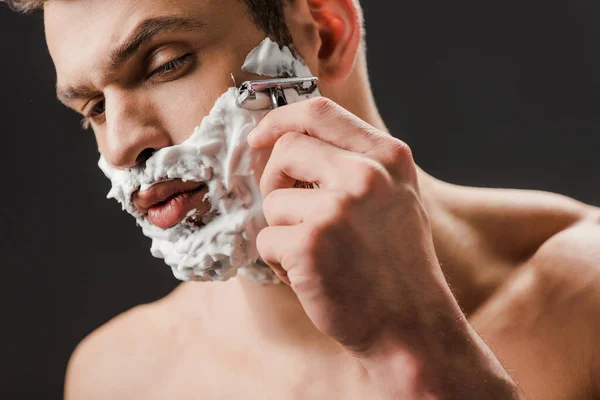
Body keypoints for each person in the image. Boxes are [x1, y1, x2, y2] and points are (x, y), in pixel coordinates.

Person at [5, 0, 600, 398]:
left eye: (166, 63)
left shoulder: (585, 298)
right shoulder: (118, 376)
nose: (122, 144)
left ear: (325, 31)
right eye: (94, 108)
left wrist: (420, 353)